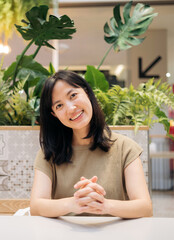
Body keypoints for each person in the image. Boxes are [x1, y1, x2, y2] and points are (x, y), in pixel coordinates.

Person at [30, 70, 152, 218]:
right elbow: (36, 207)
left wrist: (104, 205)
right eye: (59, 106)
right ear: (54, 115)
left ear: (87, 92)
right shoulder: (49, 152)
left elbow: (145, 207)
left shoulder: (125, 147)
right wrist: (74, 203)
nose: (70, 108)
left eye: (73, 96)